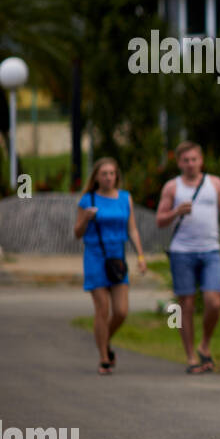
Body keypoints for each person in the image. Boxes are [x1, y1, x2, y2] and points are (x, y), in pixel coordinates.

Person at [157, 141, 220, 374]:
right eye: (186, 160)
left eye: (194, 159)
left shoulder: (215, 184)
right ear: (179, 163)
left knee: (214, 302)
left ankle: (205, 343)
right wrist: (175, 212)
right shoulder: (172, 188)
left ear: (201, 161)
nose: (191, 164)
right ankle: (191, 355)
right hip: (182, 252)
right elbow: (160, 220)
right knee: (186, 305)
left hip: (210, 250)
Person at [73, 157, 147, 375]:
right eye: (103, 173)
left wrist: (141, 256)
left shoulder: (125, 198)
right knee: (102, 308)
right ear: (96, 177)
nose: (108, 177)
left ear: (117, 176)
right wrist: (85, 218)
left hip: (117, 258)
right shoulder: (88, 200)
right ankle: (104, 358)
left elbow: (132, 229)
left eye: (111, 173)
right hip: (95, 256)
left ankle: (104, 340)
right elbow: (77, 233)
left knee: (122, 311)